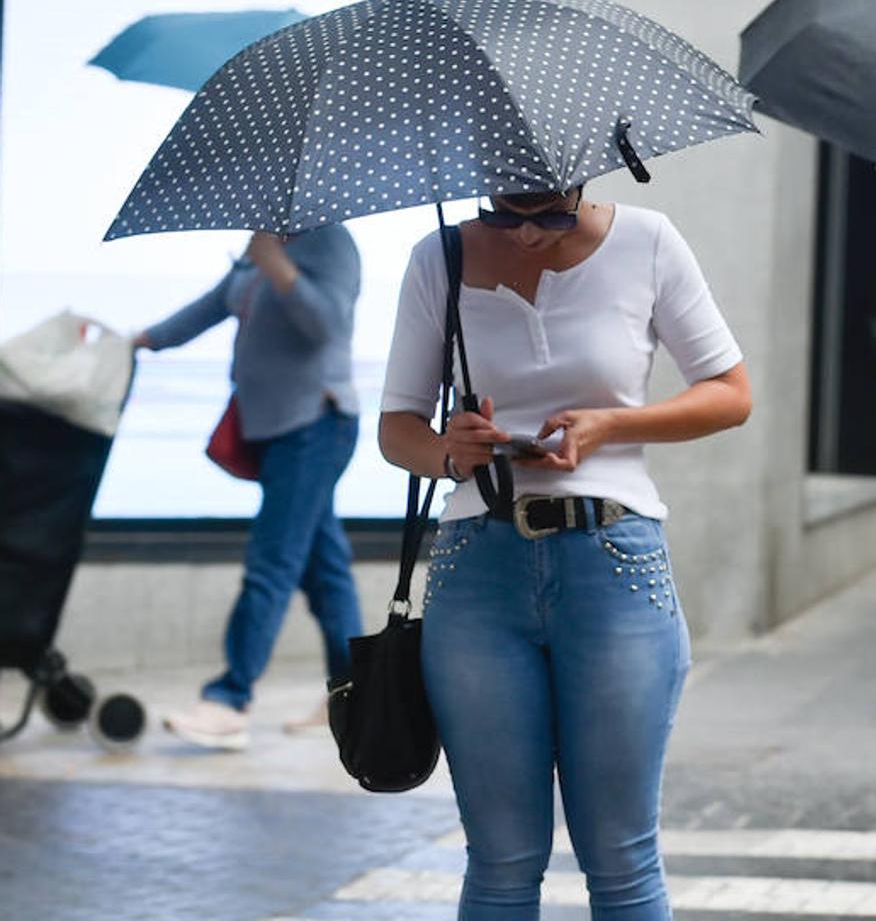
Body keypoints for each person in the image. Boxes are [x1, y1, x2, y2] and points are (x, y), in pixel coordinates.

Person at [378, 187, 752, 918]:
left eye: (548, 215)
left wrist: (613, 425)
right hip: (478, 570)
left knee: (620, 859)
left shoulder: (648, 240)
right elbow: (398, 428)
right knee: (500, 861)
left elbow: (730, 393)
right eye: (502, 213)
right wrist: (450, 453)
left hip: (615, 564)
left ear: (581, 181)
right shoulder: (440, 256)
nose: (522, 236)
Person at [135, 225, 362, 751]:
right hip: (274, 430)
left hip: (316, 424)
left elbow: (326, 325)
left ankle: (228, 699)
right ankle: (356, 694)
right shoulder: (260, 244)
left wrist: (278, 267)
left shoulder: (329, 241)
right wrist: (141, 341)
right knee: (324, 569)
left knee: (272, 562)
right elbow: (214, 305)